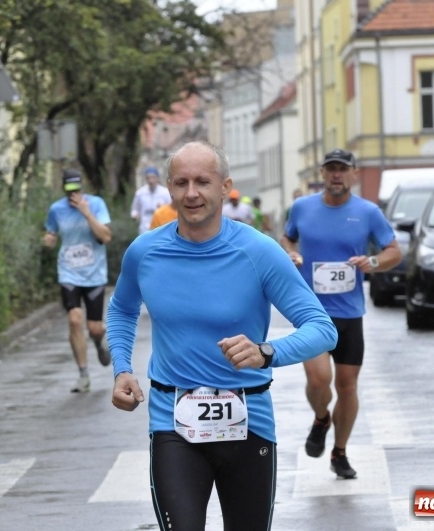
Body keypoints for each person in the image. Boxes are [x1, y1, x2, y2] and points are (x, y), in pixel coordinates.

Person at [107, 141, 337, 530]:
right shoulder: (145, 252)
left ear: (225, 187)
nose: (191, 193)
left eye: (202, 181)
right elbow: (122, 308)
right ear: (169, 188)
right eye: (181, 182)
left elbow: (322, 329)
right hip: (172, 422)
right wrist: (121, 368)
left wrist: (266, 352)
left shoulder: (258, 251)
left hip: (248, 422)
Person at [280, 149, 402, 479]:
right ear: (322, 173)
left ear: (353, 174)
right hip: (311, 312)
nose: (337, 174)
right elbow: (287, 238)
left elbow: (394, 251)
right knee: (318, 380)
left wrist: (372, 262)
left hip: (350, 314)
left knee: (347, 387)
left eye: (342, 169)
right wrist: (291, 254)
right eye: (331, 169)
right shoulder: (302, 207)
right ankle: (321, 418)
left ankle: (340, 452)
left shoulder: (368, 212)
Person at [42, 168, 113, 393]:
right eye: (69, 189)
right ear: (63, 188)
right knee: (74, 320)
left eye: (76, 188)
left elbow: (106, 237)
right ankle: (83, 375)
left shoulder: (96, 204)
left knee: (94, 328)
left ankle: (99, 340)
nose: (73, 193)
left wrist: (86, 213)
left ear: (82, 186)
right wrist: (49, 239)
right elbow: (51, 232)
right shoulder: (56, 209)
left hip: (94, 275)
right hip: (68, 273)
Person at [131, 166, 172, 234]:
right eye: (148, 178)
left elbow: (172, 208)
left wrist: (163, 208)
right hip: (144, 229)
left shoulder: (165, 193)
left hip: (161, 228)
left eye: (153, 177)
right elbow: (135, 210)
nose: (151, 181)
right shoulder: (140, 193)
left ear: (157, 178)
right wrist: (135, 216)